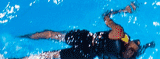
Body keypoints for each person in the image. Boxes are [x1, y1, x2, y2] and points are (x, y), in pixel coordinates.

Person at [17, 4, 150, 59]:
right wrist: (149, 45)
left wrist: (122, 10)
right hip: (85, 54)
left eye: (136, 44)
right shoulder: (120, 56)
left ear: (127, 45)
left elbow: (106, 17)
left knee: (51, 34)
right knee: (51, 55)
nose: (138, 41)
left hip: (84, 39)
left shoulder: (119, 33)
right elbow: (137, 51)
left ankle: (22, 37)